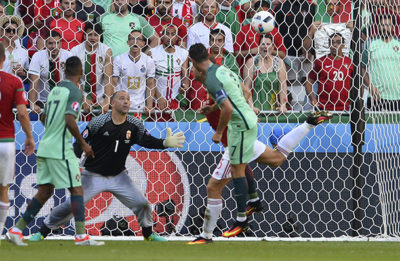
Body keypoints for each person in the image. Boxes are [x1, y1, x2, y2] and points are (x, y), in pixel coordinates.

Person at [187, 43, 333, 241]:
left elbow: (229, 109)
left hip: (237, 130)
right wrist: (212, 109)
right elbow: (246, 93)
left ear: (195, 63)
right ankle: (308, 124)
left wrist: (218, 132)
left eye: (190, 66)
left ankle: (229, 226)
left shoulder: (212, 81)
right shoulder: (223, 71)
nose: (190, 71)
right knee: (276, 158)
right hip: (247, 123)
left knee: (215, 186)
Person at [29, 90, 185, 242]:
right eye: (122, 98)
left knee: (142, 204)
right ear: (112, 102)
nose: (126, 102)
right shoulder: (98, 122)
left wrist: (164, 143)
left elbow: (147, 141)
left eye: (128, 99)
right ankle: (43, 232)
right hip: (92, 175)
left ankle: (149, 235)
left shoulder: (135, 125)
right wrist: (75, 162)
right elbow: (80, 143)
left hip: (119, 176)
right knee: (70, 205)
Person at [6, 56, 103, 246]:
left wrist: (53, 126)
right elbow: (69, 119)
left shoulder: (55, 90)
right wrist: (83, 143)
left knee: (45, 191)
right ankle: (81, 236)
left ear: (64, 71)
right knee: (76, 188)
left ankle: (16, 230)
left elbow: (43, 116)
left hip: (45, 146)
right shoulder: (75, 92)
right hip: (60, 149)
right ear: (81, 73)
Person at [0, 42, 34, 240]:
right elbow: (22, 112)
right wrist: (29, 136)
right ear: (5, 59)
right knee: (3, 187)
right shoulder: (14, 81)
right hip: (5, 141)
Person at [71, 22, 113, 115]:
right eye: (90, 34)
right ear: (85, 36)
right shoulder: (75, 51)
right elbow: (75, 79)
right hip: (80, 96)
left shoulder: (106, 51)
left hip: (100, 97)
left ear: (100, 36)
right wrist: (83, 99)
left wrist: (107, 101)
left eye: (96, 35)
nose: (93, 38)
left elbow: (108, 78)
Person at [150, 24, 189, 121]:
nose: (170, 37)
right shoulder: (153, 53)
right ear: (162, 35)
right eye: (167, 34)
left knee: (175, 131)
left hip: (175, 100)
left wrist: (184, 86)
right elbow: (149, 79)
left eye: (173, 34)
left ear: (177, 37)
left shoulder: (183, 53)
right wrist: (159, 97)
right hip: (156, 101)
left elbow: (185, 75)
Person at [113, 30, 155, 118]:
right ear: (128, 42)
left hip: (140, 107)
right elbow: (113, 83)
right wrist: (111, 102)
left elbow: (150, 84)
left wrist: (149, 106)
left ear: (143, 43)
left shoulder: (149, 61)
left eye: (139, 39)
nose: (135, 42)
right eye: (132, 39)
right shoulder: (119, 59)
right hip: (121, 106)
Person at [305, 33, 353, 111]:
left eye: (338, 42)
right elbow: (309, 81)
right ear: (329, 45)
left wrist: (354, 100)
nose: (334, 45)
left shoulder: (349, 63)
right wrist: (312, 98)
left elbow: (359, 83)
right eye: (332, 42)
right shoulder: (320, 62)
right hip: (323, 108)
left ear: (343, 45)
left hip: (344, 108)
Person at [362, 15, 400, 111]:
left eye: (388, 25)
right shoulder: (370, 44)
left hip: (397, 96)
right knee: (375, 126)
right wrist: (370, 86)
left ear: (393, 27)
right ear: (378, 26)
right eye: (382, 25)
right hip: (376, 96)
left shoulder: (398, 44)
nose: (385, 28)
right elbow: (361, 68)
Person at [28, 31, 72, 114]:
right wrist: (32, 103)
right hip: (44, 101)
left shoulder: (68, 56)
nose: (54, 46)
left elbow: (74, 81)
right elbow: (34, 80)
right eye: (50, 43)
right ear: (45, 44)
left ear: (61, 43)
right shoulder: (38, 56)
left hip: (64, 100)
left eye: (57, 43)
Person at [243, 34, 288, 113]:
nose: (265, 46)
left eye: (268, 44)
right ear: (259, 47)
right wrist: (251, 106)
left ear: (273, 47)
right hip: (256, 109)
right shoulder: (252, 62)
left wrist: (283, 105)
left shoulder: (279, 63)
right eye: (262, 44)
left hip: (274, 110)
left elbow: (283, 86)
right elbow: (246, 87)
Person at [0, 15, 29, 80]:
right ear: (2, 31)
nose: (11, 32)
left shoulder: (23, 52)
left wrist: (23, 73)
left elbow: (28, 75)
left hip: (17, 88)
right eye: (8, 30)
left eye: (14, 31)